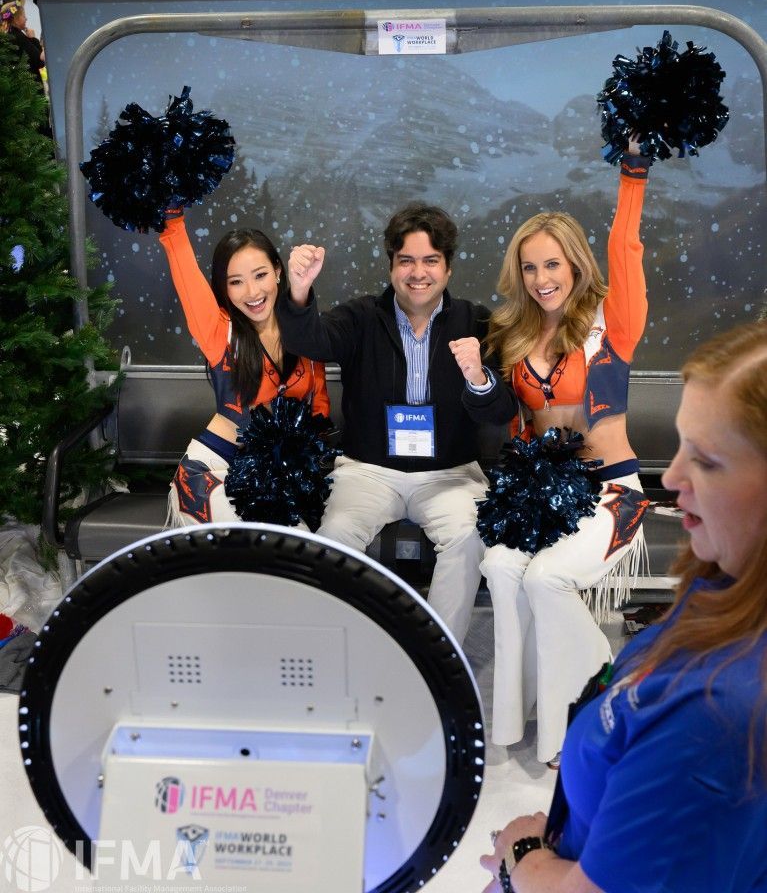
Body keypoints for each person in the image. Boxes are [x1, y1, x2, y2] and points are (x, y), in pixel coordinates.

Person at [480, 319, 767, 893]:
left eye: (707, 461)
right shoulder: (716, 592)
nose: (674, 476)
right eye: (682, 446)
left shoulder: (720, 709)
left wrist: (526, 854)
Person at [454, 142, 651, 765]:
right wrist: (477, 380)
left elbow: (627, 248)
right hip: (538, 495)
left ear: (576, 264)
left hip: (610, 493)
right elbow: (503, 417)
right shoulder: (512, 332)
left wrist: (633, 174)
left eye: (553, 265)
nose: (542, 280)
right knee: (503, 570)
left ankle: (603, 703)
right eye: (530, 268)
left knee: (546, 577)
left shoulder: (612, 323)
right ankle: (521, 722)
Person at [279, 205, 516, 644]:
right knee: (334, 537)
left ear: (447, 267)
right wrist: (298, 290)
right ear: (391, 265)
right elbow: (306, 339)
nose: (418, 273)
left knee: (468, 538)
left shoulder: (476, 321)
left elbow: (501, 412)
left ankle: (437, 656)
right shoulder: (360, 317)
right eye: (406, 260)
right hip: (368, 471)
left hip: (450, 474)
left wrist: (479, 378)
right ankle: (343, 650)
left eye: (430, 261)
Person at [158, 212, 330, 526]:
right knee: (256, 552)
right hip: (214, 472)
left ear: (278, 271)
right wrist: (172, 218)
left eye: (260, 275)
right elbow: (180, 255)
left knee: (297, 555)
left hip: (278, 477)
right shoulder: (219, 331)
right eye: (236, 282)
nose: (251, 292)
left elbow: (318, 409)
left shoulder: (305, 330)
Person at [1, 0, 44, 83]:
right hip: (28, 88)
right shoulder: (19, 38)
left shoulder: (6, 36)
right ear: (16, 19)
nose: (26, 19)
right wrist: (33, 39)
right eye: (24, 16)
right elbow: (39, 61)